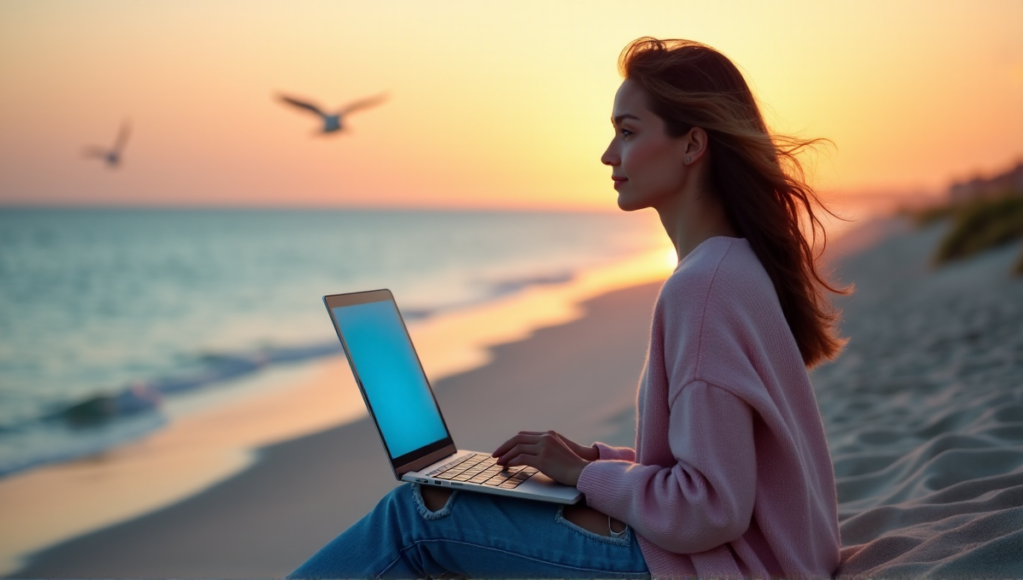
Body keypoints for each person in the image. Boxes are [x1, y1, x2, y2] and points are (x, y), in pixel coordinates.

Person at [289, 37, 845, 579]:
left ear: (692, 146)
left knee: (417, 517)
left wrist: (583, 473)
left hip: (723, 566)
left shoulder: (702, 290)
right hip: (765, 557)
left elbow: (707, 510)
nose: (608, 154)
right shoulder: (734, 267)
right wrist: (596, 458)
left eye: (627, 133)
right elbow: (717, 467)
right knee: (447, 505)